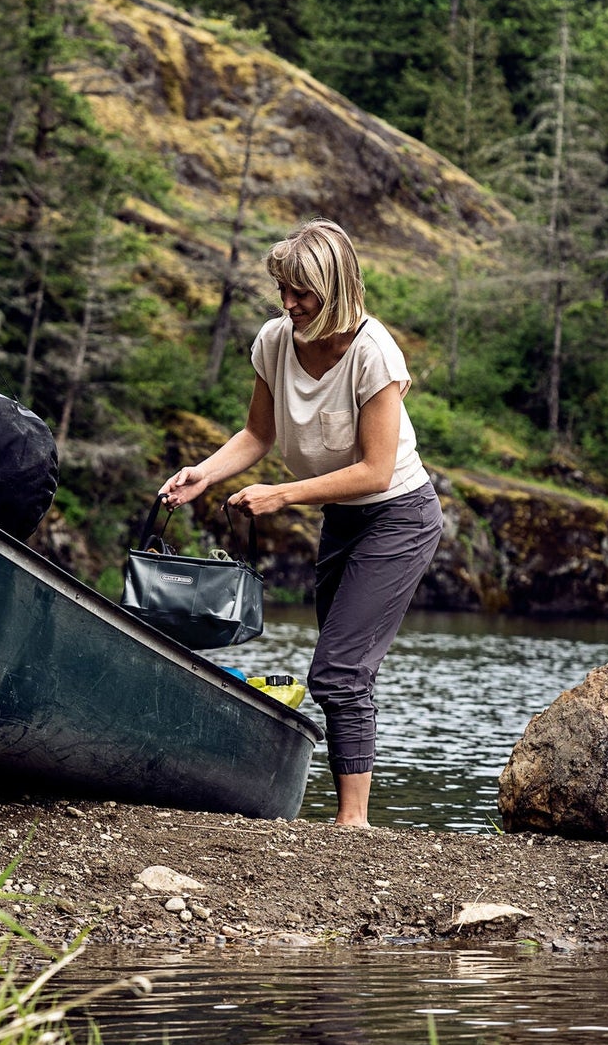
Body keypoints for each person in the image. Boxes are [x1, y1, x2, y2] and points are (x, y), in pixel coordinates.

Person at [159, 218, 442, 828]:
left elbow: (374, 470)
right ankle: (351, 819)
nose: (288, 305)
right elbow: (259, 432)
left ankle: (354, 823)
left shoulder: (374, 353)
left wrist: (283, 495)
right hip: (342, 519)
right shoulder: (275, 340)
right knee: (343, 668)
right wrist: (204, 473)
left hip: (399, 516)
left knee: (338, 669)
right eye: (282, 291)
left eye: (301, 293)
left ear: (335, 289)